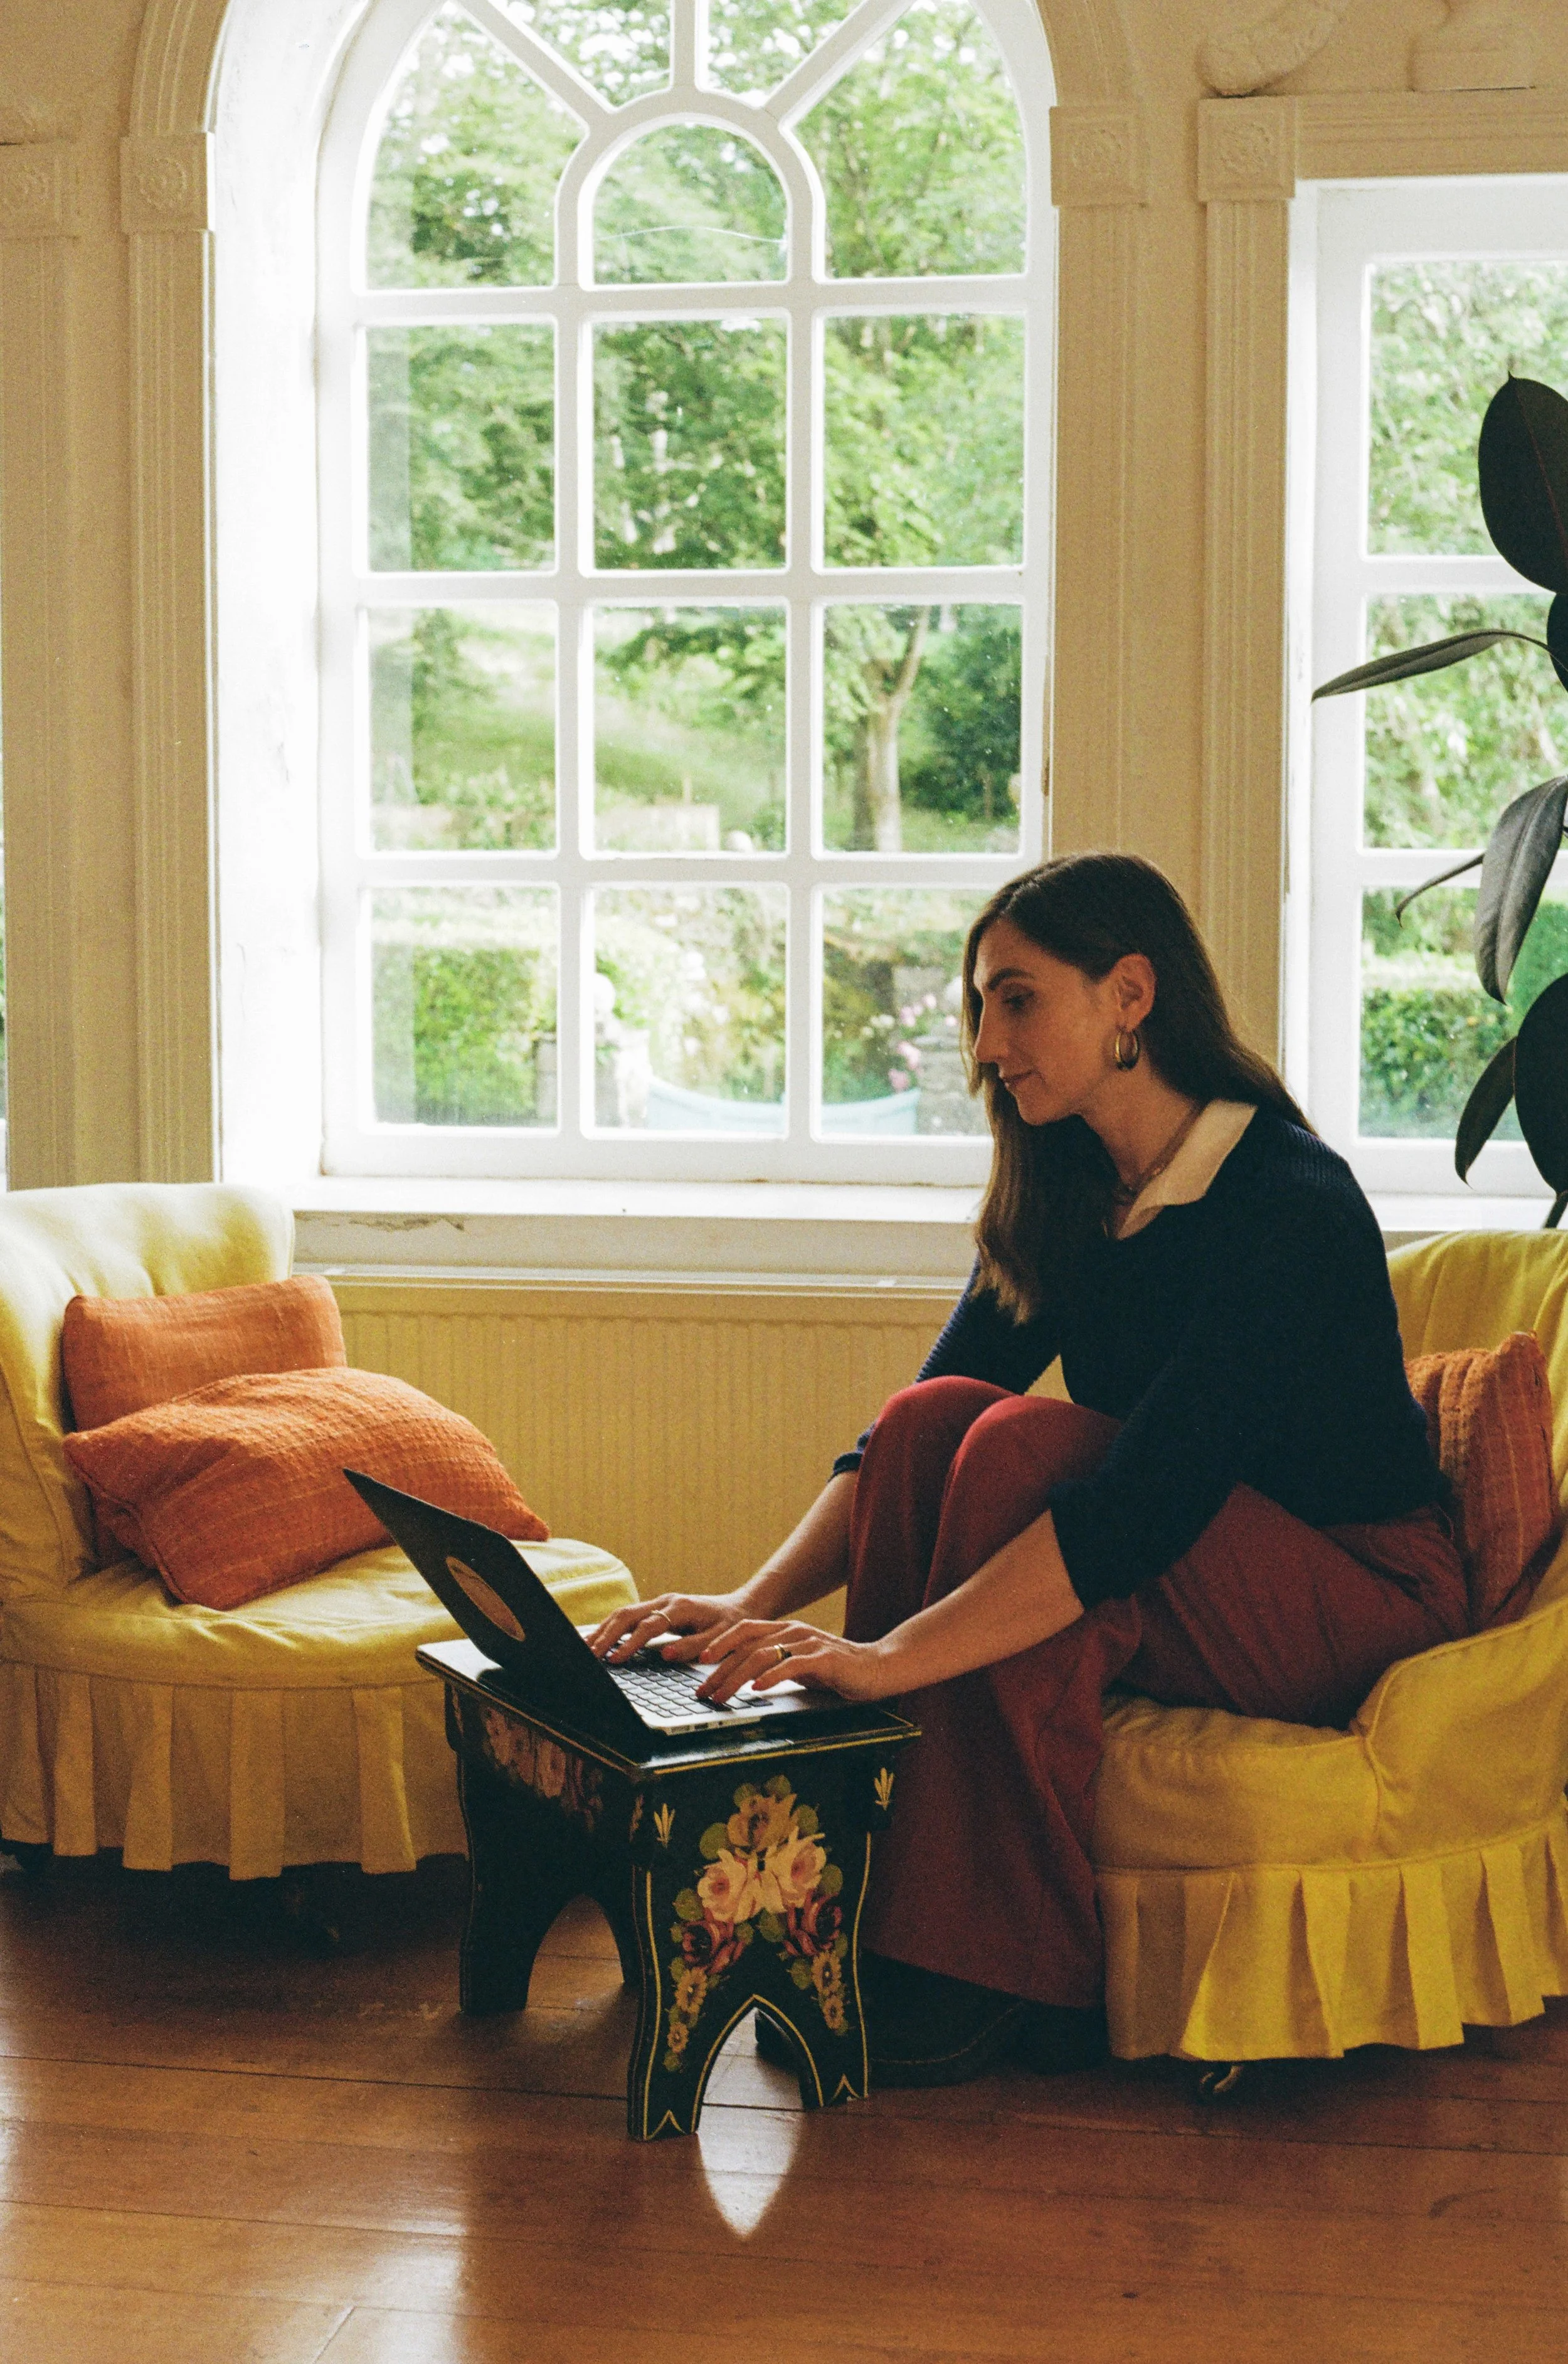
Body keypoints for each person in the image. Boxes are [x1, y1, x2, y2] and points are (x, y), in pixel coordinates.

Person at [590, 854, 1468, 2085]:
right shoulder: (1070, 1185)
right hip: (1188, 1566)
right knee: (936, 1416)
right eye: (979, 1007)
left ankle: (1003, 1970)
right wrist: (750, 1607)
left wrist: (886, 1656)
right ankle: (868, 1914)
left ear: (1127, 995)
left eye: (1016, 1000)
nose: (985, 1043)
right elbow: (905, 1428)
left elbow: (1137, 1504)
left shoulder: (1283, 1199)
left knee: (1017, 1445)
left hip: (1355, 1600)